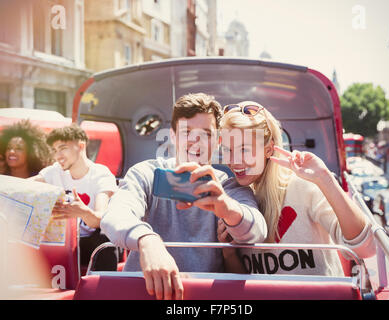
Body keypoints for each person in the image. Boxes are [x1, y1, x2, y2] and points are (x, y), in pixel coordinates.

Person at [100, 93, 267, 300]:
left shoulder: (228, 186)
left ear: (218, 140)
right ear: (172, 136)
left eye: (206, 134)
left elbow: (257, 231)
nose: (195, 141)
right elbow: (115, 214)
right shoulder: (147, 173)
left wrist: (227, 207)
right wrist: (148, 240)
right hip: (143, 293)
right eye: (186, 132)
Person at [217, 101, 376, 276]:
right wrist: (229, 253)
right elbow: (244, 284)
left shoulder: (303, 186)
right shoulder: (238, 205)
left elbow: (365, 249)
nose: (234, 161)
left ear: (269, 150)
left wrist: (324, 178)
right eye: (227, 150)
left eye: (244, 150)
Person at [30, 124, 118, 271]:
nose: (58, 156)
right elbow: (23, 185)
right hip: (60, 240)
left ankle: (103, 290)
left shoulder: (101, 174)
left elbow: (99, 219)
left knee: (104, 238)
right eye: (55, 150)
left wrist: (82, 212)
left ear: (81, 146)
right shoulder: (54, 171)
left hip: (89, 240)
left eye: (63, 148)